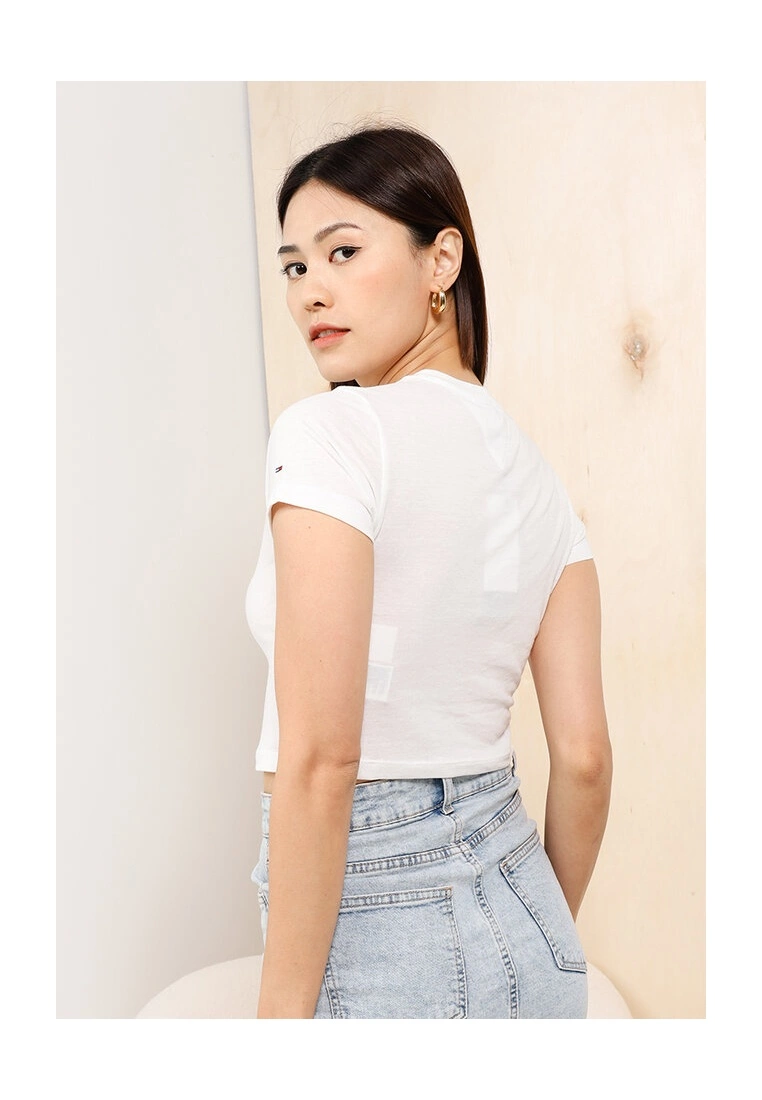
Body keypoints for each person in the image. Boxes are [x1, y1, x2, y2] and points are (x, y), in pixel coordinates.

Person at [246, 123, 613, 1019]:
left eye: (343, 251)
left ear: (441, 260)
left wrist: (277, 1027)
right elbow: (586, 759)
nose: (310, 291)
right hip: (530, 912)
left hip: (373, 914)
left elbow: (323, 760)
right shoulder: (541, 484)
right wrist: (530, 934)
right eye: (295, 266)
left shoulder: (331, 434)